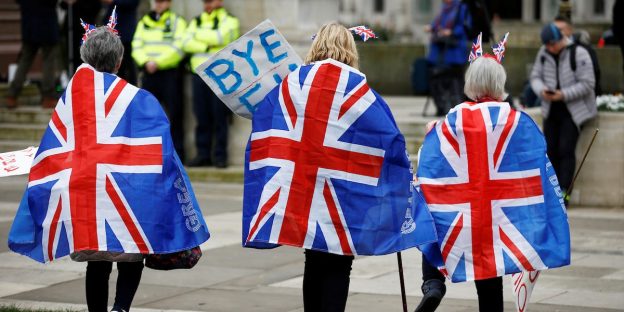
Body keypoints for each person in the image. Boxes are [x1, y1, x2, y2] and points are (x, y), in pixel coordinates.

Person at [530, 23, 597, 204]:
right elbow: (535, 77)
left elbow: (588, 84)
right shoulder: (544, 52)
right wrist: (542, 90)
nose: (550, 49)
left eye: (553, 44)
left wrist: (564, 94)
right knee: (549, 150)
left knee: (566, 149)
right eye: (547, 45)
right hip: (551, 108)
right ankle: (552, 193)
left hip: (573, 111)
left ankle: (564, 192)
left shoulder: (579, 53)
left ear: (560, 40)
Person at [182, 0, 239, 168]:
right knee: (201, 116)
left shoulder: (230, 20)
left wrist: (198, 40)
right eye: (205, 1)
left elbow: (224, 37)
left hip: (219, 76)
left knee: (219, 117)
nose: (207, 4)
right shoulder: (196, 21)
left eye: (210, 1)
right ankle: (203, 154)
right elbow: (185, 42)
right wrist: (209, 44)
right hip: (198, 74)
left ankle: (220, 156)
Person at [132, 0, 187, 161]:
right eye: (156, 1)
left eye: (162, 2)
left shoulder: (178, 21)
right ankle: (150, 155)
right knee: (148, 115)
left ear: (169, 3)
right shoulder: (144, 22)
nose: (158, 4)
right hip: (149, 74)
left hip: (169, 73)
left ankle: (178, 155)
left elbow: (179, 47)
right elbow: (137, 45)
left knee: (175, 114)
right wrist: (145, 62)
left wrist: (158, 62)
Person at [6, 0, 60, 109]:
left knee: (25, 61)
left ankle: (12, 94)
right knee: (49, 61)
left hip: (29, 24)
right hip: (47, 23)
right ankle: (48, 96)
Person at [426, 0, 472, 116]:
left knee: (456, 82)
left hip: (454, 52)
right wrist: (432, 28)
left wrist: (451, 32)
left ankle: (457, 108)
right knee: (436, 79)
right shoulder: (444, 8)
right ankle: (441, 106)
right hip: (441, 53)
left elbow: (466, 26)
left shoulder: (461, 7)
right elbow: (437, 24)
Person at [101, 0, 139, 84]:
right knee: (113, 65)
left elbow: (132, 3)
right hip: (111, 33)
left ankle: (131, 89)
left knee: (127, 65)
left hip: (126, 34)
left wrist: (113, 1)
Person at [60, 0, 102, 73]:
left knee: (86, 56)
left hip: (86, 29)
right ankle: (72, 76)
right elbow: (63, 5)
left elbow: (96, 7)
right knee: (70, 56)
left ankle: (85, 77)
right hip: (71, 29)